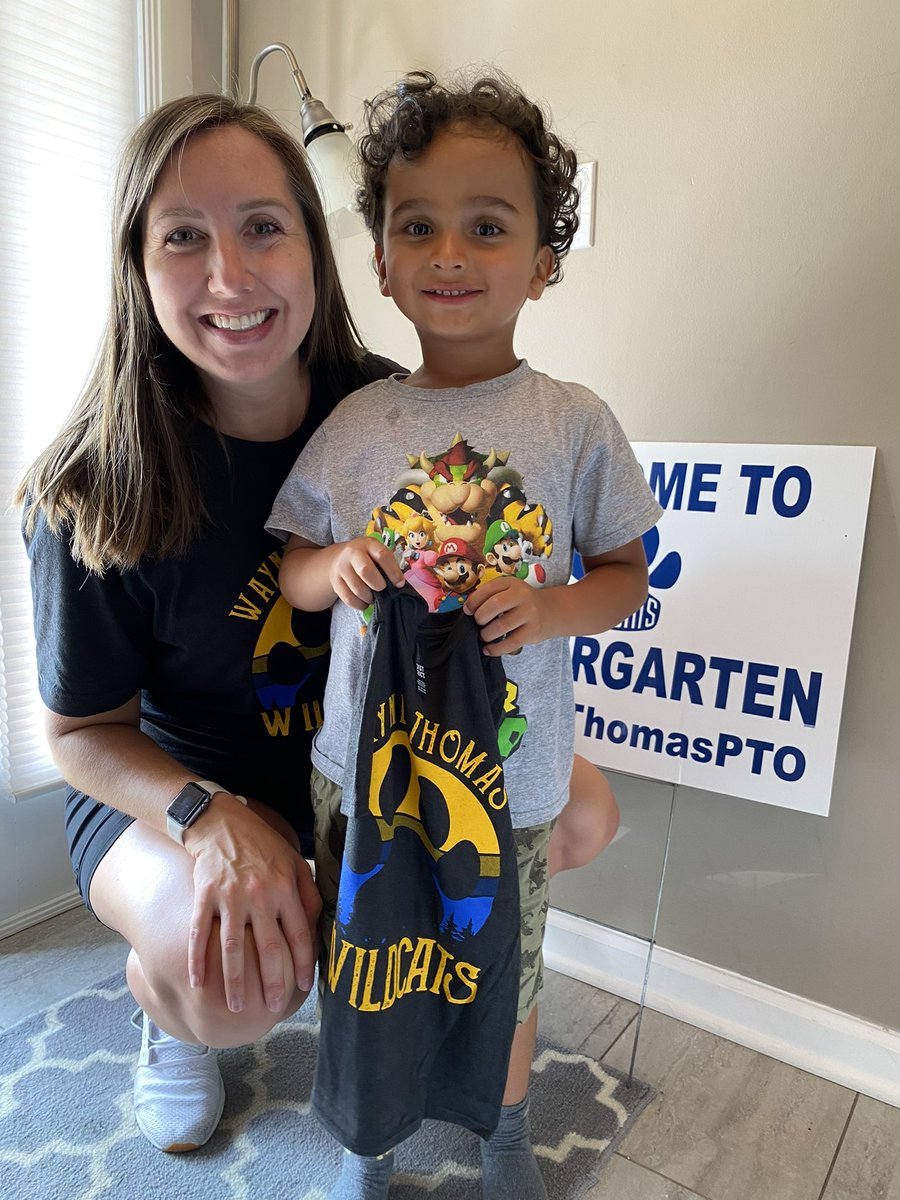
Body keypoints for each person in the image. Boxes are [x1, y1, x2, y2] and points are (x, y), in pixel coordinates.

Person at [268, 69, 663, 1200]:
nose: (450, 253)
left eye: (488, 228)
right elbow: (289, 569)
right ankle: (367, 1139)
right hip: (367, 769)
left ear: (543, 262)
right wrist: (330, 568)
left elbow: (629, 579)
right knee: (370, 966)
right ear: (383, 262)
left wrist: (549, 605)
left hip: (513, 775)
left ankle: (502, 1128)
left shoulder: (572, 422)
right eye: (418, 227)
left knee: (505, 972)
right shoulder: (353, 426)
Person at [16, 93, 401, 1154]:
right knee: (234, 983)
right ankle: (164, 1007)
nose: (230, 278)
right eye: (184, 237)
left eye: (263, 227)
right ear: (137, 266)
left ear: (314, 252)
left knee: (577, 808)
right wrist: (206, 816)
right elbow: (81, 733)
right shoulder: (89, 486)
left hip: (341, 772)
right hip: (163, 790)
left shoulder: (391, 419)